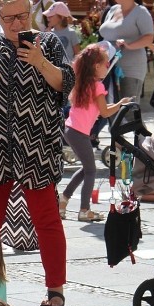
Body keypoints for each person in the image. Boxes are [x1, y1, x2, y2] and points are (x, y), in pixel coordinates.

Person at [0, 0, 75, 306]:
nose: (15, 24)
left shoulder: (47, 43)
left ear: (31, 13)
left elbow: (66, 84)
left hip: (36, 146)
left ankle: (55, 289)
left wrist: (39, 62)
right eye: (8, 18)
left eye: (21, 16)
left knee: (46, 219)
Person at [59, 44, 132, 222]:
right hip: (78, 132)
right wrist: (121, 104)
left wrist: (118, 104)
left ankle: (63, 199)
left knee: (87, 168)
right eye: (105, 64)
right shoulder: (97, 86)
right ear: (95, 66)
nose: (107, 67)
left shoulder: (83, 83)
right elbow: (105, 112)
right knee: (91, 170)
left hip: (71, 129)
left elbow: (100, 110)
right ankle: (84, 210)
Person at [98, 0, 154, 107]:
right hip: (108, 68)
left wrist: (129, 45)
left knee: (128, 112)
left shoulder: (141, 12)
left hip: (130, 69)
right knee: (109, 111)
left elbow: (148, 37)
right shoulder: (112, 10)